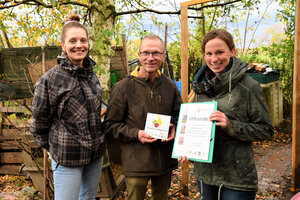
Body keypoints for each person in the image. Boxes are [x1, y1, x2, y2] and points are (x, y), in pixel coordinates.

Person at [178, 29, 274, 200]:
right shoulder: (201, 88)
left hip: (237, 179)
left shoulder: (248, 87)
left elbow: (266, 129)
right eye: (209, 53)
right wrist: (187, 148)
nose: (214, 59)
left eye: (220, 52)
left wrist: (230, 125)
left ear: (232, 51)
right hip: (205, 175)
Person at [30, 13, 105, 200]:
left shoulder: (92, 75)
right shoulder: (50, 80)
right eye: (72, 41)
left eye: (83, 40)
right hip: (68, 157)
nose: (79, 45)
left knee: (88, 198)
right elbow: (39, 123)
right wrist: (54, 148)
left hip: (95, 155)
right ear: (63, 45)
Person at [104, 34, 182, 200]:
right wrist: (136, 134)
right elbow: (110, 125)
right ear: (139, 55)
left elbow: (178, 115)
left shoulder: (170, 86)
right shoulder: (123, 87)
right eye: (146, 53)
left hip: (164, 161)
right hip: (136, 161)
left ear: (163, 56)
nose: (150, 58)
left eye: (156, 53)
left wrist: (174, 126)